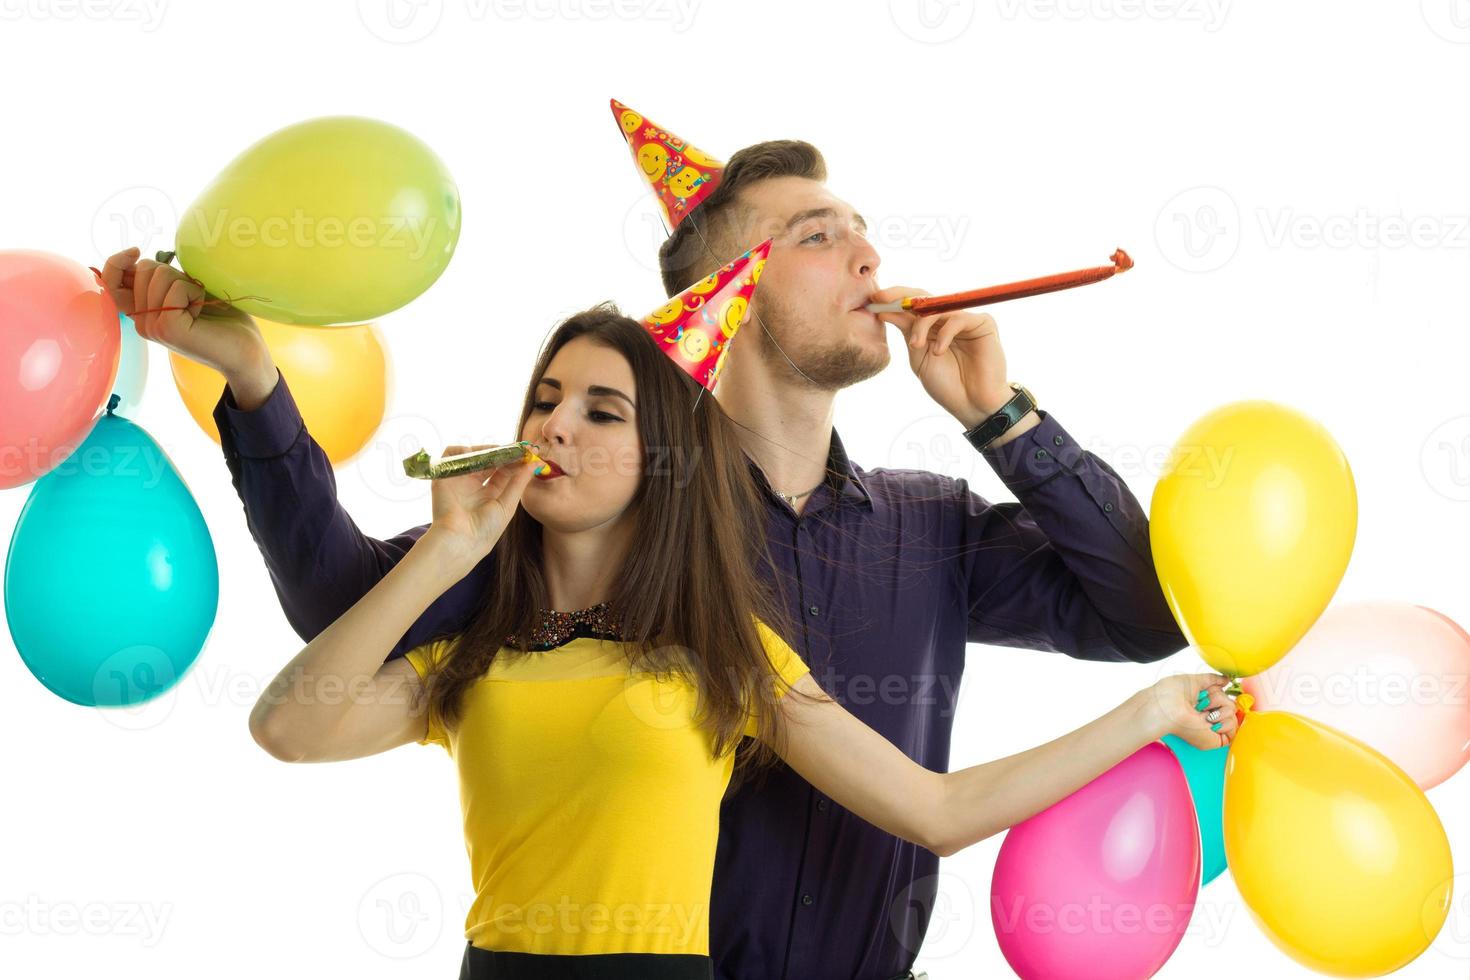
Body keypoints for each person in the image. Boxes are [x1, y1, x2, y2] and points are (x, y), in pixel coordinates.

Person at [98, 110, 1204, 980]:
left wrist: (999, 414)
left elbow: (1142, 616)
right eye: (818, 235)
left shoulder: (931, 523)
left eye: (863, 226)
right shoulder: (600, 515)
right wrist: (251, 378)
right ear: (726, 295)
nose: (869, 253)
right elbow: (339, 613)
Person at [242, 301, 1237, 979]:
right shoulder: (474, 654)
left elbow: (936, 809)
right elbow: (285, 726)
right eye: (543, 402)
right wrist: (448, 548)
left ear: (659, 461)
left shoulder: (723, 653)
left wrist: (1147, 709)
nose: (556, 428)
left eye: (601, 410)